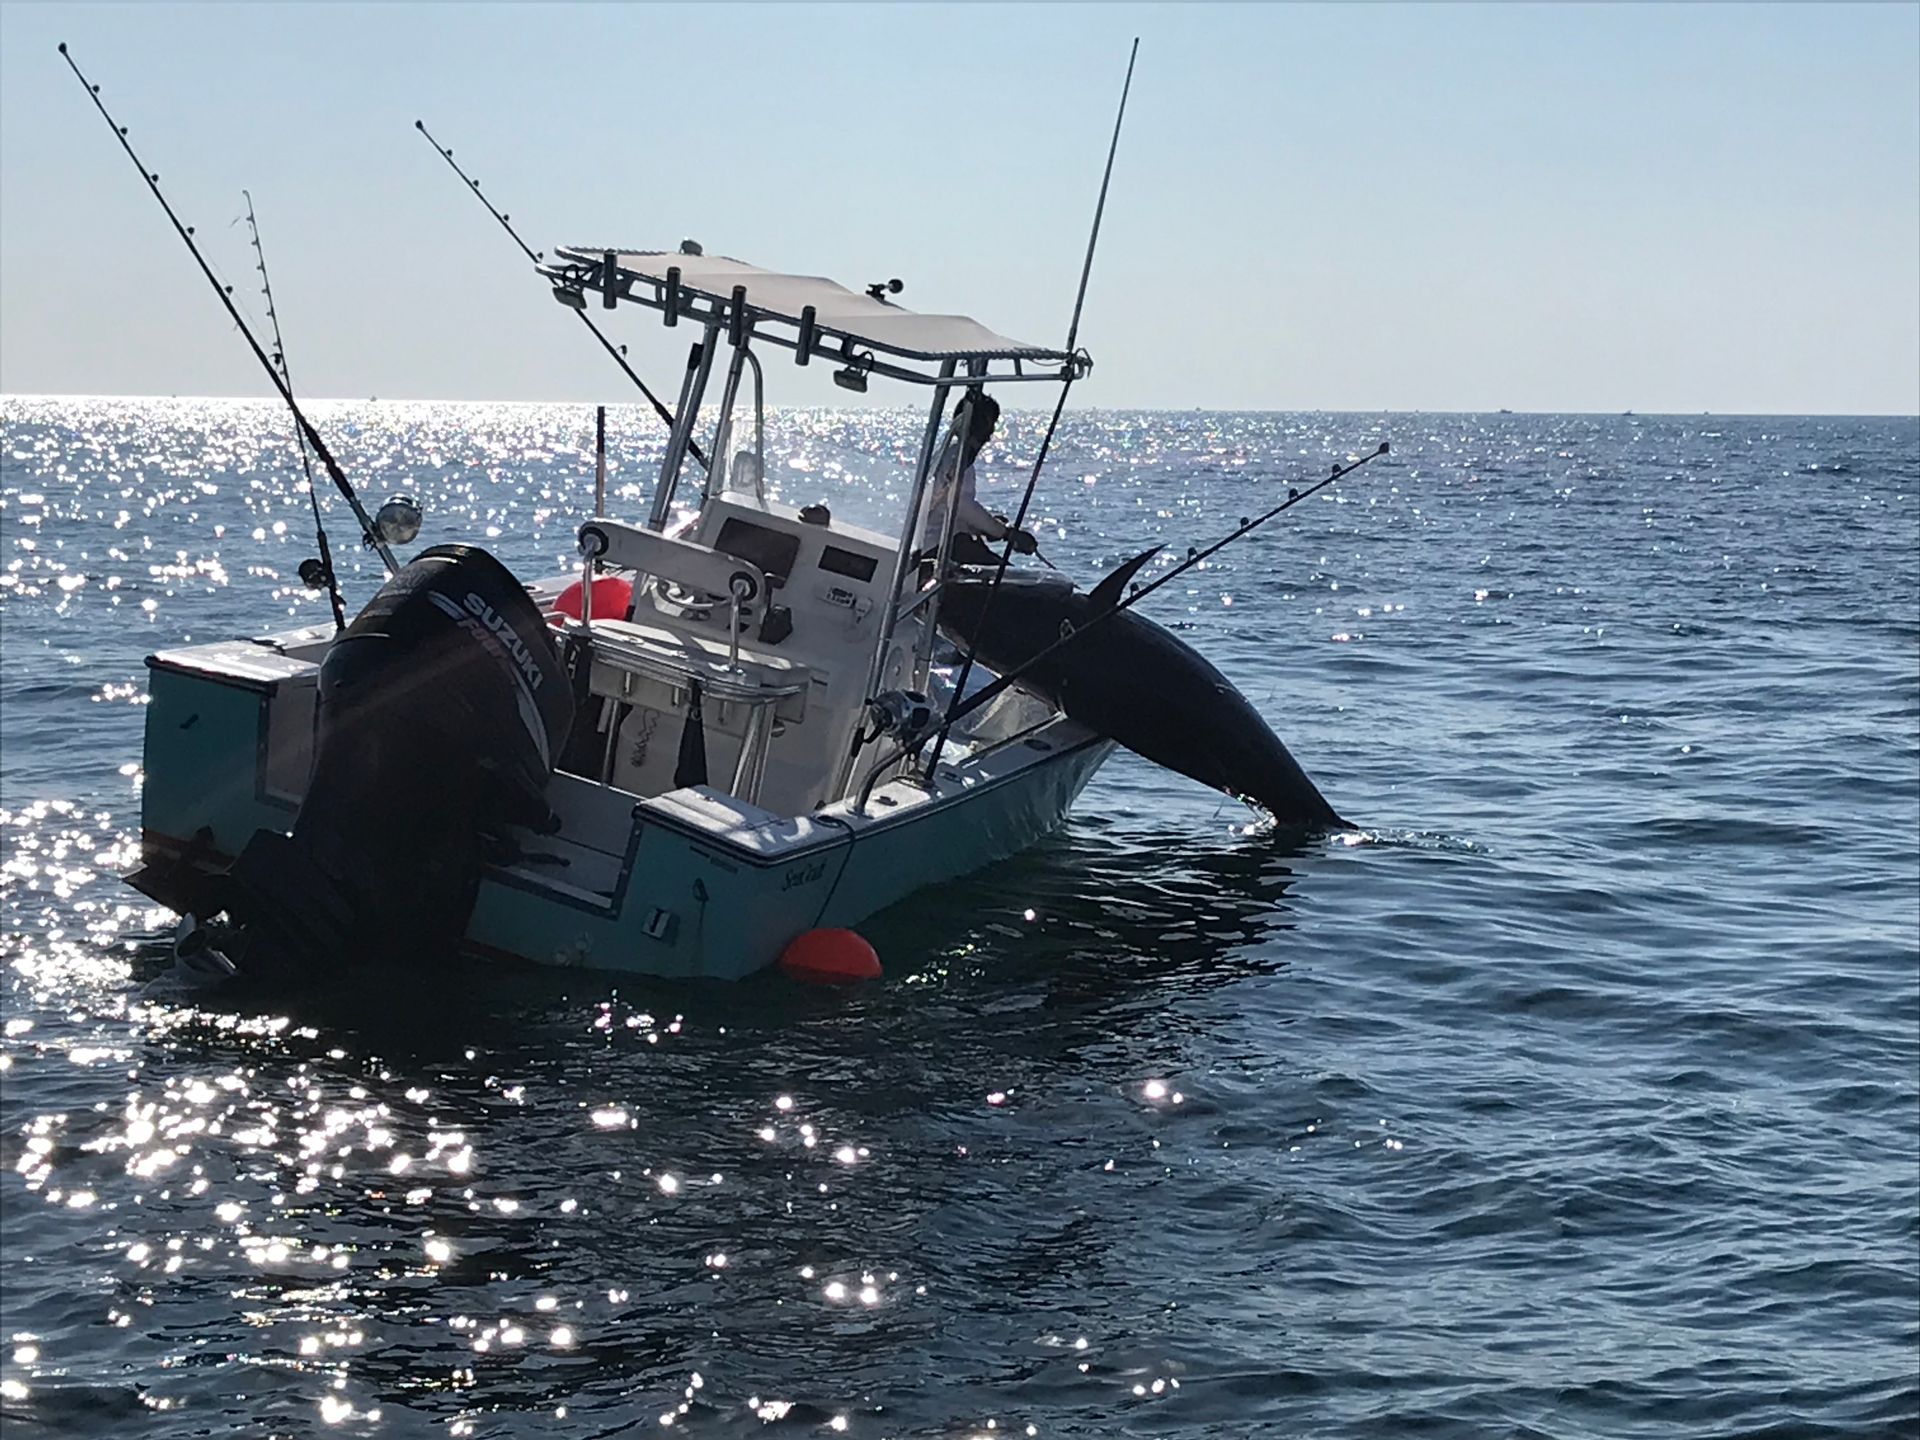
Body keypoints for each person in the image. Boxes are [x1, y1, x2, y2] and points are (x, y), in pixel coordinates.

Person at [918, 389, 1039, 567]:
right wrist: (1005, 533)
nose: (990, 434)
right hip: (943, 545)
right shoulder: (959, 457)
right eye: (989, 424)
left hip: (940, 542)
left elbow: (947, 508)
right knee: (1008, 576)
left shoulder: (946, 454)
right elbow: (961, 505)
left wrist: (985, 527)